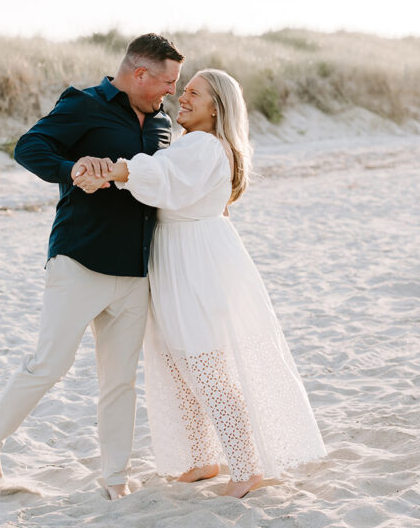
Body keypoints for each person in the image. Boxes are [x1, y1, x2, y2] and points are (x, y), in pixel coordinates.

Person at [73, 69, 326, 498]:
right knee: (178, 359)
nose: (183, 98)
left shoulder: (204, 145)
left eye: (195, 93)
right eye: (184, 90)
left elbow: (163, 178)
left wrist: (112, 171)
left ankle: (246, 470)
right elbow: (167, 178)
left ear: (217, 107)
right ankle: (200, 457)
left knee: (205, 364)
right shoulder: (196, 144)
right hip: (180, 255)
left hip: (194, 261)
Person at [0, 33, 184, 501]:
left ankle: (114, 478)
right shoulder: (85, 105)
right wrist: (72, 169)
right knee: (49, 364)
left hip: (135, 269)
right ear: (140, 73)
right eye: (167, 81)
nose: (172, 89)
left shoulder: (162, 123)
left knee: (120, 380)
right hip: (79, 258)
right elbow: (28, 147)